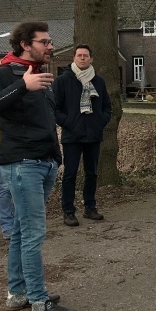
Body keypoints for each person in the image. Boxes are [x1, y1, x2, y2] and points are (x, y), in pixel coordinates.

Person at [0, 21, 76, 311]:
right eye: (44, 41)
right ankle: (39, 301)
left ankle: (18, 293)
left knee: (22, 232)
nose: (50, 46)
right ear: (25, 44)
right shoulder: (5, 72)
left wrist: (55, 156)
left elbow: (47, 119)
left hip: (43, 162)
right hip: (22, 164)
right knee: (33, 233)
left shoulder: (43, 75)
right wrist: (23, 86)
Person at [53, 44, 112, 226]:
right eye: (79, 55)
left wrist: (100, 121)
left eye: (86, 55)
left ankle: (90, 207)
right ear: (74, 58)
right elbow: (55, 108)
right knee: (70, 174)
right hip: (72, 135)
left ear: (91, 59)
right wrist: (69, 122)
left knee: (92, 173)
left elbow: (107, 107)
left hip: (93, 134)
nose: (82, 58)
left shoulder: (98, 82)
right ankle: (68, 211)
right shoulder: (63, 81)